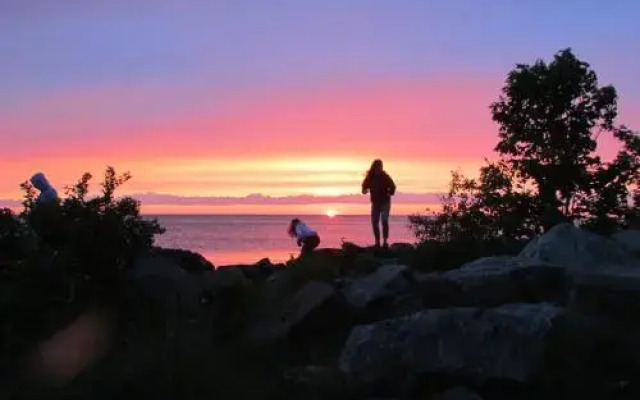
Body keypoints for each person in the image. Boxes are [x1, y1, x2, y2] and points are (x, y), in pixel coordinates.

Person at [362, 159, 396, 249]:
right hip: (375, 202)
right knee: (374, 222)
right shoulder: (370, 177)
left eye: (380, 166)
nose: (379, 168)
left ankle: (385, 241)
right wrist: (364, 190)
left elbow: (393, 186)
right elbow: (364, 186)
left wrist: (390, 192)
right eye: (378, 166)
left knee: (384, 221)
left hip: (385, 202)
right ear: (374, 167)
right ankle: (377, 241)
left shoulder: (385, 176)